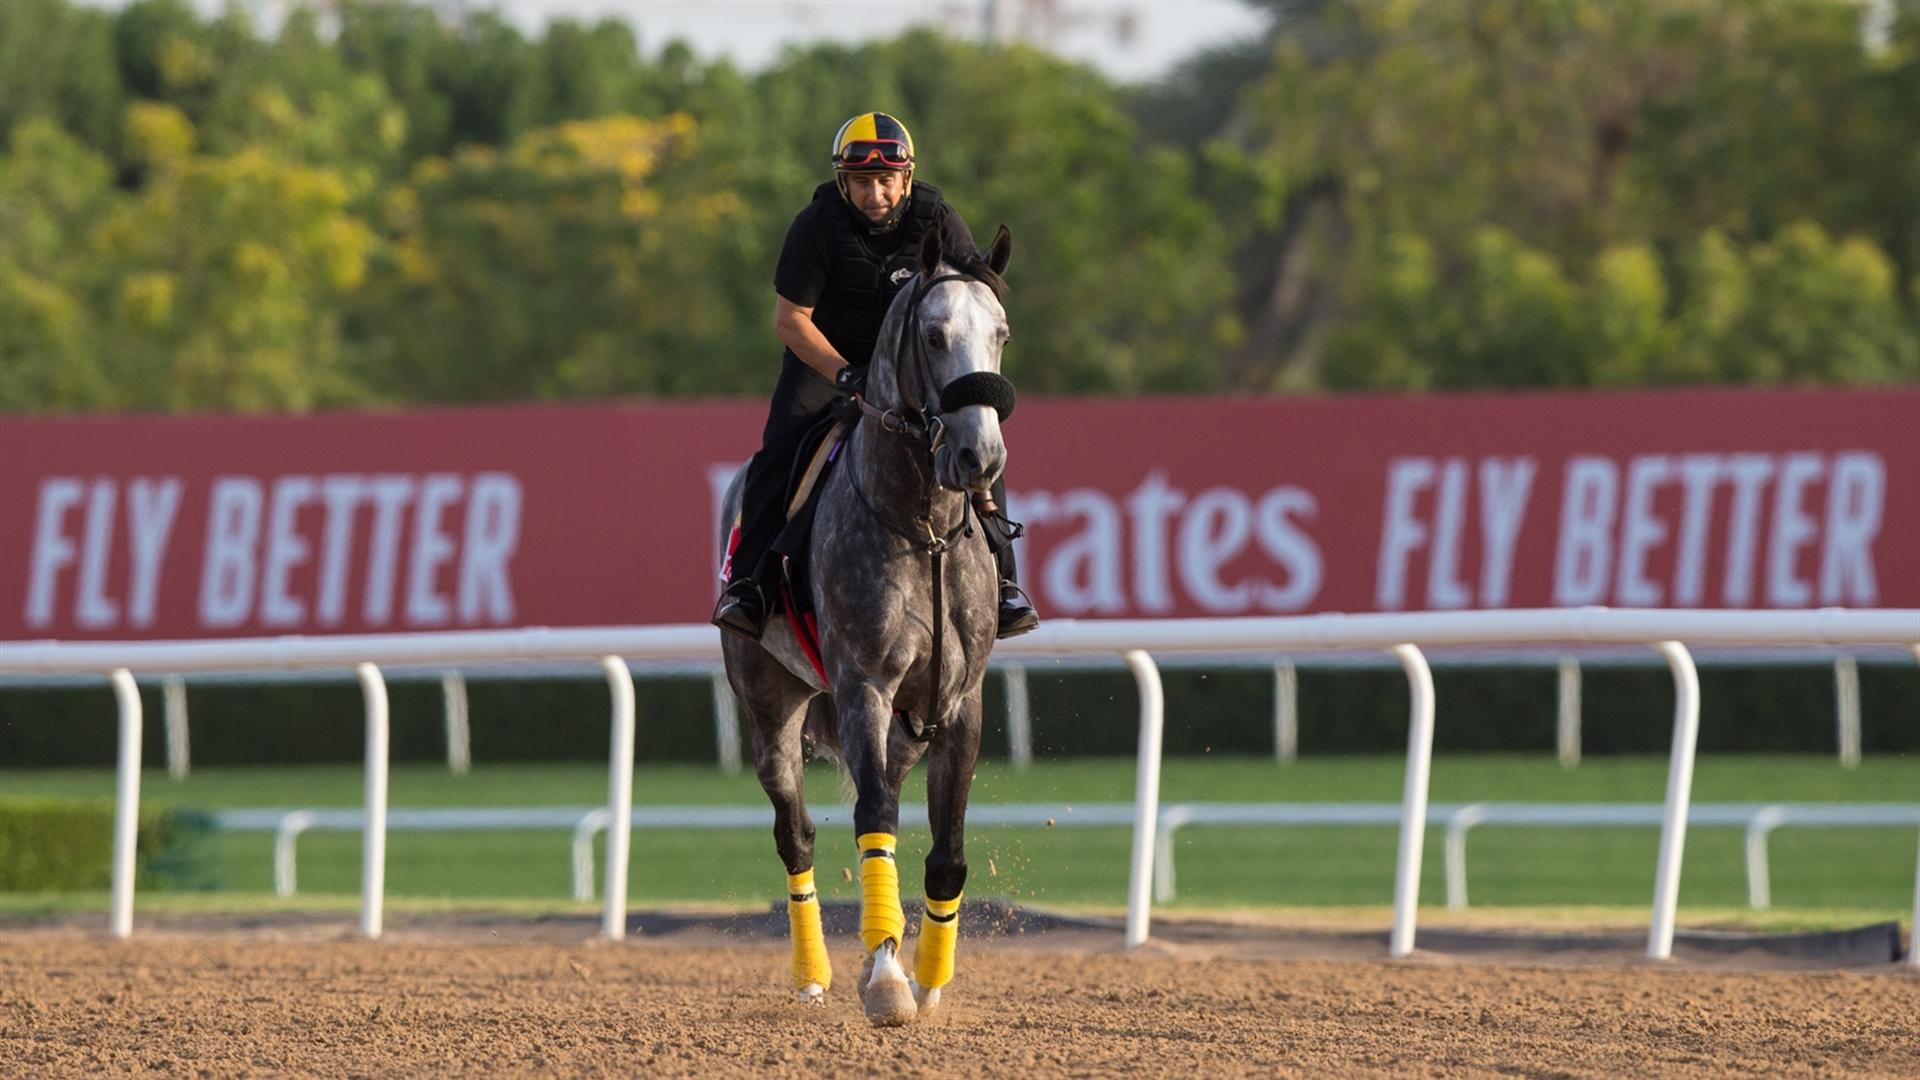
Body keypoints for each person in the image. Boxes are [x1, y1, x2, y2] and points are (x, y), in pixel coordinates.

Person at [712, 111, 1039, 642]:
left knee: (976, 437)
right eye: (862, 182)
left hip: (916, 361)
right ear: (843, 182)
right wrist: (844, 375)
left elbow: (970, 299)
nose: (876, 193)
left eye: (886, 180)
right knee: (780, 449)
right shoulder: (815, 227)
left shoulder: (940, 220)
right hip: (827, 361)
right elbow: (789, 321)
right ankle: (752, 584)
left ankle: (1004, 584)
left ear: (906, 179)